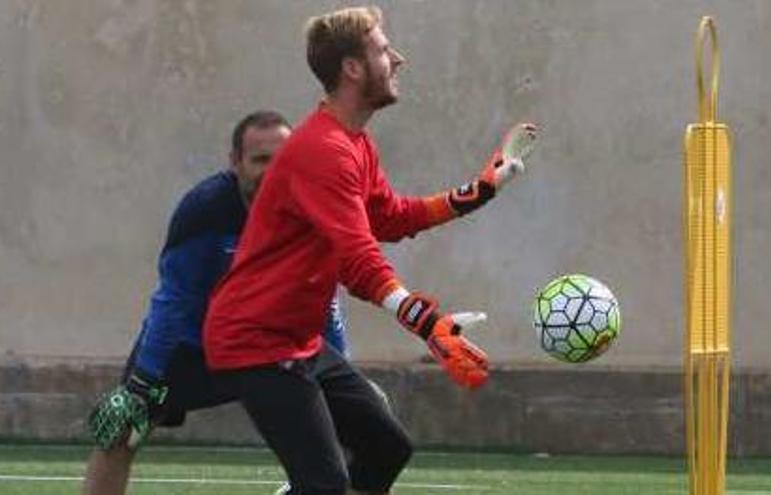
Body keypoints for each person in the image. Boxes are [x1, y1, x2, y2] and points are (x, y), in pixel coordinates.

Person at [203, 6, 538, 495]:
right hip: (254, 340)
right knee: (323, 484)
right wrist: (426, 323)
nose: (397, 58)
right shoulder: (323, 150)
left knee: (387, 448)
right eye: (383, 49)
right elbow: (358, 257)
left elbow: (389, 218)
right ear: (352, 68)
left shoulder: (354, 144)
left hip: (296, 340)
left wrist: (478, 191)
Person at [83, 110, 350, 495]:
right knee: (121, 431)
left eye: (283, 159)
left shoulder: (312, 208)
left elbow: (325, 298)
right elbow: (174, 301)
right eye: (260, 160)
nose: (271, 172)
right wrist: (144, 381)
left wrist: (342, 370)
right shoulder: (205, 210)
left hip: (268, 351)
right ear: (235, 162)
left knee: (354, 429)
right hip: (191, 350)